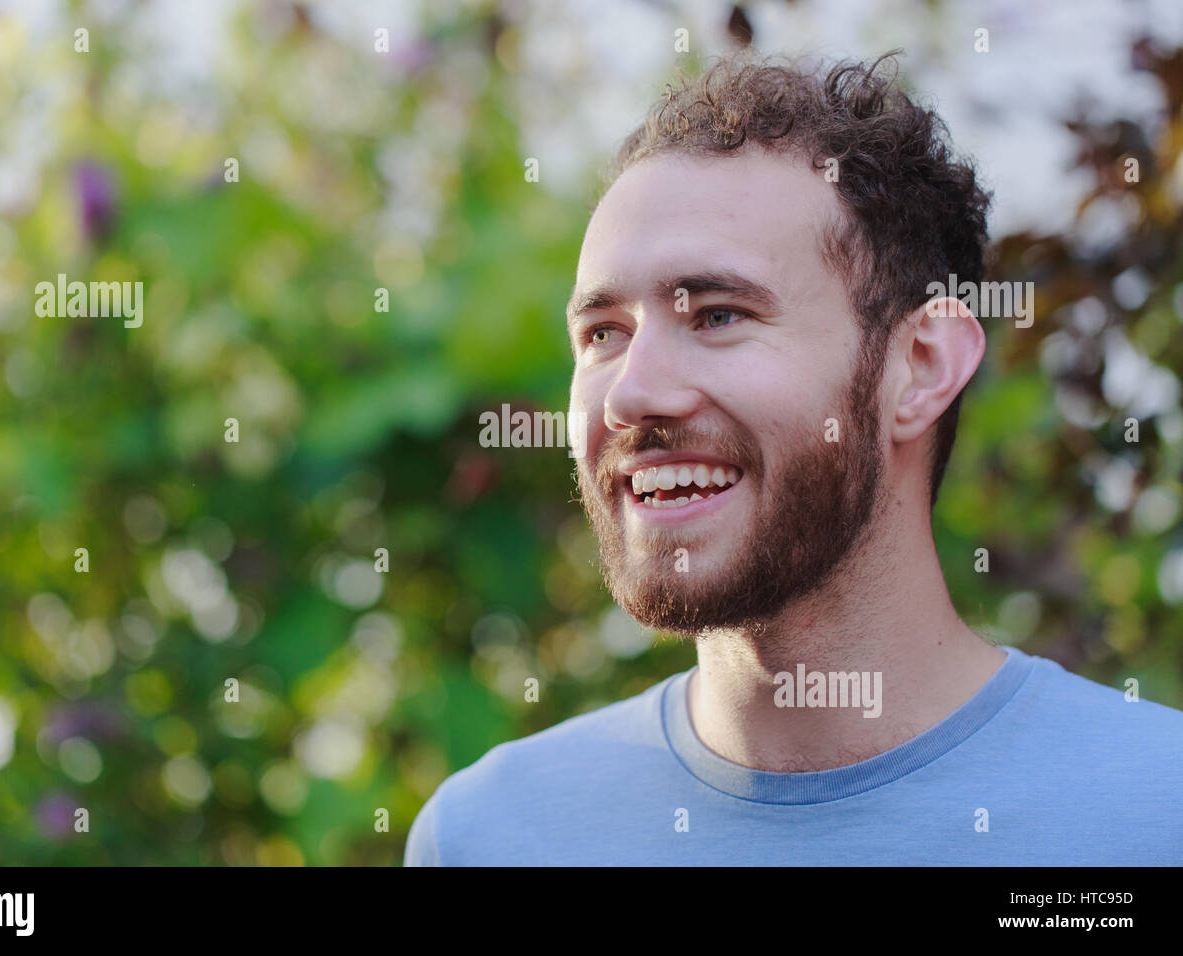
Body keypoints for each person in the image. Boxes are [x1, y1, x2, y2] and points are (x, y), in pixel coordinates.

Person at [404, 51, 1183, 866]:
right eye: (603, 334)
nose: (632, 395)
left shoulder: (1154, 816)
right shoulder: (488, 836)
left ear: (919, 367)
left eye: (716, 315)